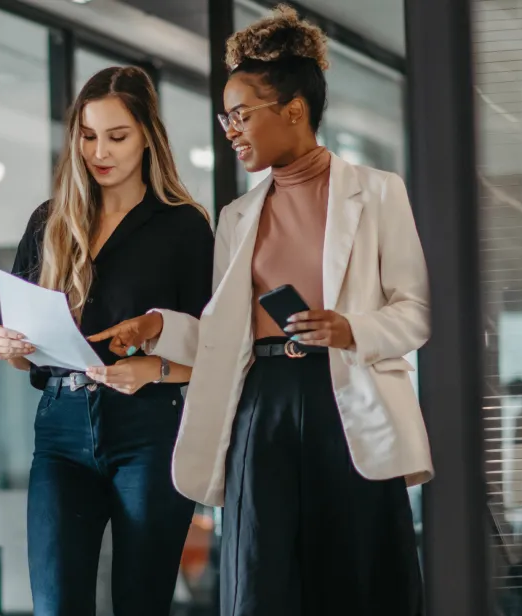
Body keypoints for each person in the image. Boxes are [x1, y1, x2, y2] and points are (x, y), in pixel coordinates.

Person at [89, 7, 431, 615]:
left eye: (242, 114)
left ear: (294, 110)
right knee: (259, 585)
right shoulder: (236, 218)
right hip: (260, 408)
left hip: (345, 401)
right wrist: (158, 328)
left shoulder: (378, 193)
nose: (231, 129)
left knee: (357, 582)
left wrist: (353, 328)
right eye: (226, 117)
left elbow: (416, 312)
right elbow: (225, 340)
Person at [0, 66, 214, 616]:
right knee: (55, 605)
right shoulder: (50, 222)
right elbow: (30, 356)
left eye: (117, 136)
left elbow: (219, 349)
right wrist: (9, 347)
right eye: (88, 136)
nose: (100, 152)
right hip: (61, 430)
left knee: (141, 602)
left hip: (150, 429)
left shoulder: (183, 228)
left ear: (147, 137)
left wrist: (155, 370)